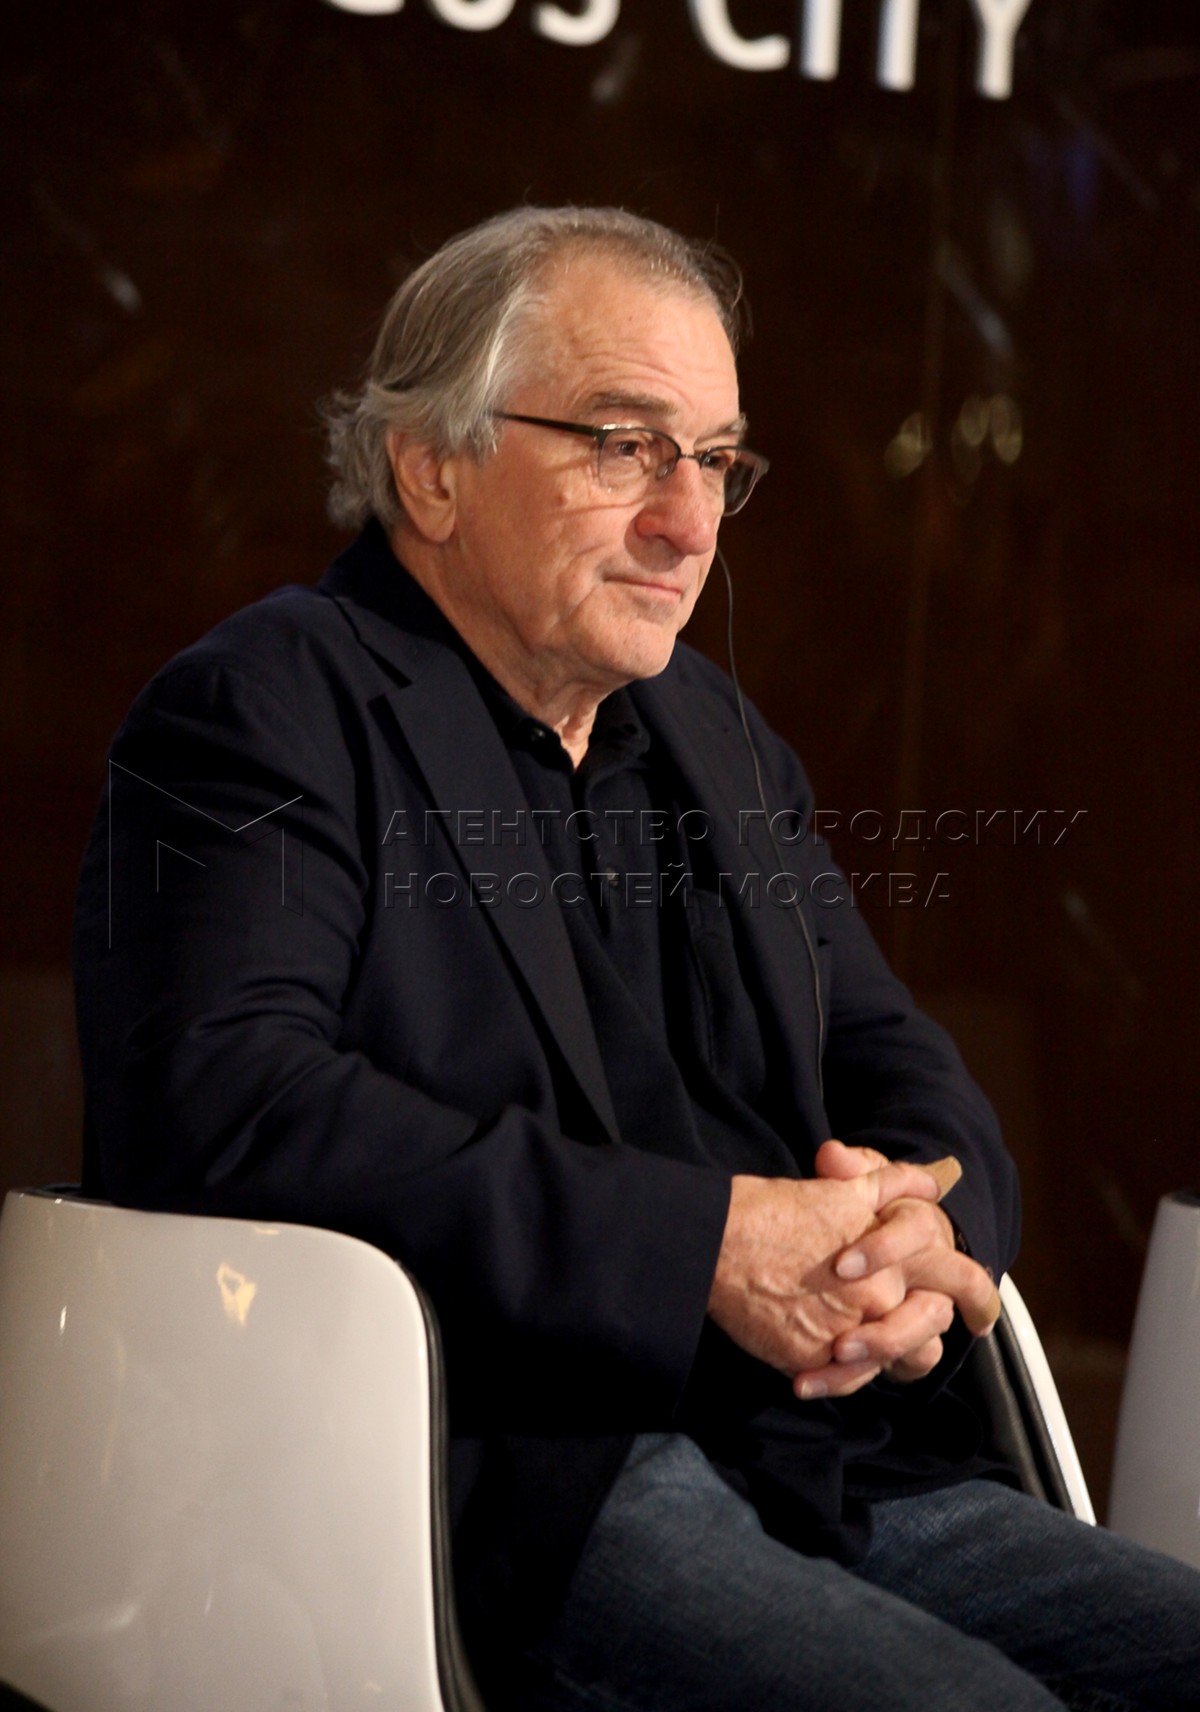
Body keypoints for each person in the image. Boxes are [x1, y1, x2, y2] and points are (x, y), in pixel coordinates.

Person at [73, 206, 1200, 1710]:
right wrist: (705, 1248)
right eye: (625, 447)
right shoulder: (260, 710)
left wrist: (922, 1238)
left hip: (830, 1451)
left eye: (716, 461)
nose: (689, 523)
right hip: (504, 1485)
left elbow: (890, 1052)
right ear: (432, 466)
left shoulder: (715, 732)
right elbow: (231, 1110)